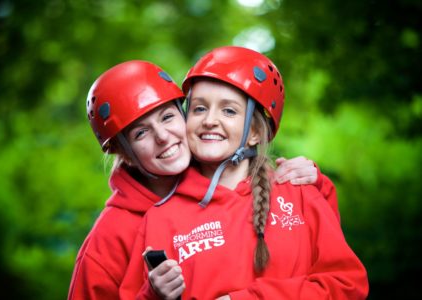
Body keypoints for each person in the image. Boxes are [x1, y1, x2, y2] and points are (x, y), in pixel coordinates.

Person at [119, 46, 368, 299]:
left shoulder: (299, 194)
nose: (209, 120)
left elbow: (348, 286)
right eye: (199, 108)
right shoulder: (161, 219)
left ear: (255, 133)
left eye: (229, 110)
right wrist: (153, 295)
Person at [67, 60, 328, 300]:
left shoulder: (221, 184)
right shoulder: (109, 238)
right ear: (126, 154)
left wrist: (314, 183)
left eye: (168, 117)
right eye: (141, 133)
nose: (163, 137)